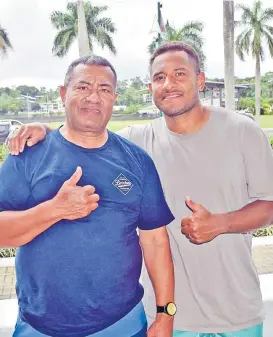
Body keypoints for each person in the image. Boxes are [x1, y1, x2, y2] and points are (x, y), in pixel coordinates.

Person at [8, 41, 273, 337]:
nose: (169, 84)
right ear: (151, 87)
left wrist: (221, 223)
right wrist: (44, 132)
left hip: (235, 309)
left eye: (180, 74)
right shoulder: (139, 141)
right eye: (159, 77)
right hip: (163, 318)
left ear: (200, 80)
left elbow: (269, 205)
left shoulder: (242, 131)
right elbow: (84, 133)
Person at [0, 55, 177, 337]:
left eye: (104, 90)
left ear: (114, 99)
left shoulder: (137, 162)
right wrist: (55, 210)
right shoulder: (29, 155)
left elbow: (156, 242)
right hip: (39, 327)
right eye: (83, 87)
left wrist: (165, 314)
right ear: (63, 93)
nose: (94, 97)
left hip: (123, 325)